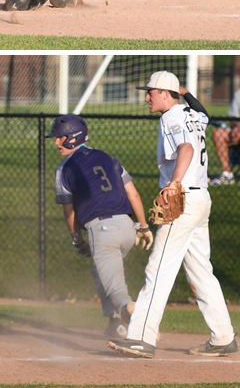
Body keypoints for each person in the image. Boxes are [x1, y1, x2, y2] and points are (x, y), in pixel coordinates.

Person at [108, 71, 236, 358]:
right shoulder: (192, 115)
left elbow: (186, 149)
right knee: (201, 272)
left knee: (159, 268)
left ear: (165, 94)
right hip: (201, 198)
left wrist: (174, 184)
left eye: (151, 92)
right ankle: (224, 336)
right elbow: (201, 112)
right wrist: (185, 91)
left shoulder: (171, 117)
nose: (146, 97)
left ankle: (141, 337)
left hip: (184, 199)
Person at [48, 115, 152, 339]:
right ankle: (115, 323)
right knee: (101, 273)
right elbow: (132, 193)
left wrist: (77, 240)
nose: (56, 143)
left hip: (103, 231)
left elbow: (70, 212)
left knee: (116, 289)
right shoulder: (108, 157)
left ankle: (137, 323)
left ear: (74, 138)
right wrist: (143, 227)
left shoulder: (64, 168)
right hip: (127, 227)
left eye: (60, 138)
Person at [209, 88, 239, 186]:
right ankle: (227, 174)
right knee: (219, 132)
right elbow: (234, 118)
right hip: (238, 132)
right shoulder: (238, 94)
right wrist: (235, 129)